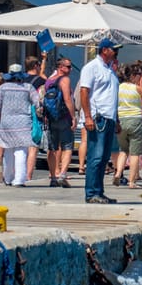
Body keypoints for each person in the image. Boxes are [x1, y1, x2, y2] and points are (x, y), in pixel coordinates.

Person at [78, 38, 121, 204]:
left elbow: (111, 96)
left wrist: (116, 119)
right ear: (104, 50)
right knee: (95, 156)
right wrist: (88, 116)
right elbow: (84, 92)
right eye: (113, 49)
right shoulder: (92, 68)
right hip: (98, 118)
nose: (116, 52)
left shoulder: (110, 70)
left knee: (104, 158)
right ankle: (91, 193)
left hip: (109, 117)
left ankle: (99, 191)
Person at [0, 64, 40, 187]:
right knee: (21, 150)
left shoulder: (2, 88)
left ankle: (8, 178)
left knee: (8, 150)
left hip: (6, 122)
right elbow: (38, 102)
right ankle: (19, 179)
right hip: (23, 122)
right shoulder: (28, 87)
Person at [45, 57, 78, 188]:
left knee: (52, 148)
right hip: (64, 117)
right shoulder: (65, 80)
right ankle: (63, 175)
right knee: (67, 147)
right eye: (68, 67)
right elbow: (68, 99)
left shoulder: (49, 81)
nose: (70, 69)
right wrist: (73, 116)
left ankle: (53, 177)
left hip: (52, 118)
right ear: (61, 67)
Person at [114, 62, 142, 188]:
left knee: (123, 150)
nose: (140, 77)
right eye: (139, 75)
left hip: (121, 119)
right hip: (135, 120)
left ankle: (118, 174)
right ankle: (132, 181)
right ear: (133, 76)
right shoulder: (137, 88)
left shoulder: (118, 87)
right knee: (135, 153)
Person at [23, 55, 46, 181]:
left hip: (20, 114)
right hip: (34, 114)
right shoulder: (41, 81)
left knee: (21, 147)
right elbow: (42, 98)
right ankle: (28, 175)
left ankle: (18, 174)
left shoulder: (20, 79)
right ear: (36, 66)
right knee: (33, 146)